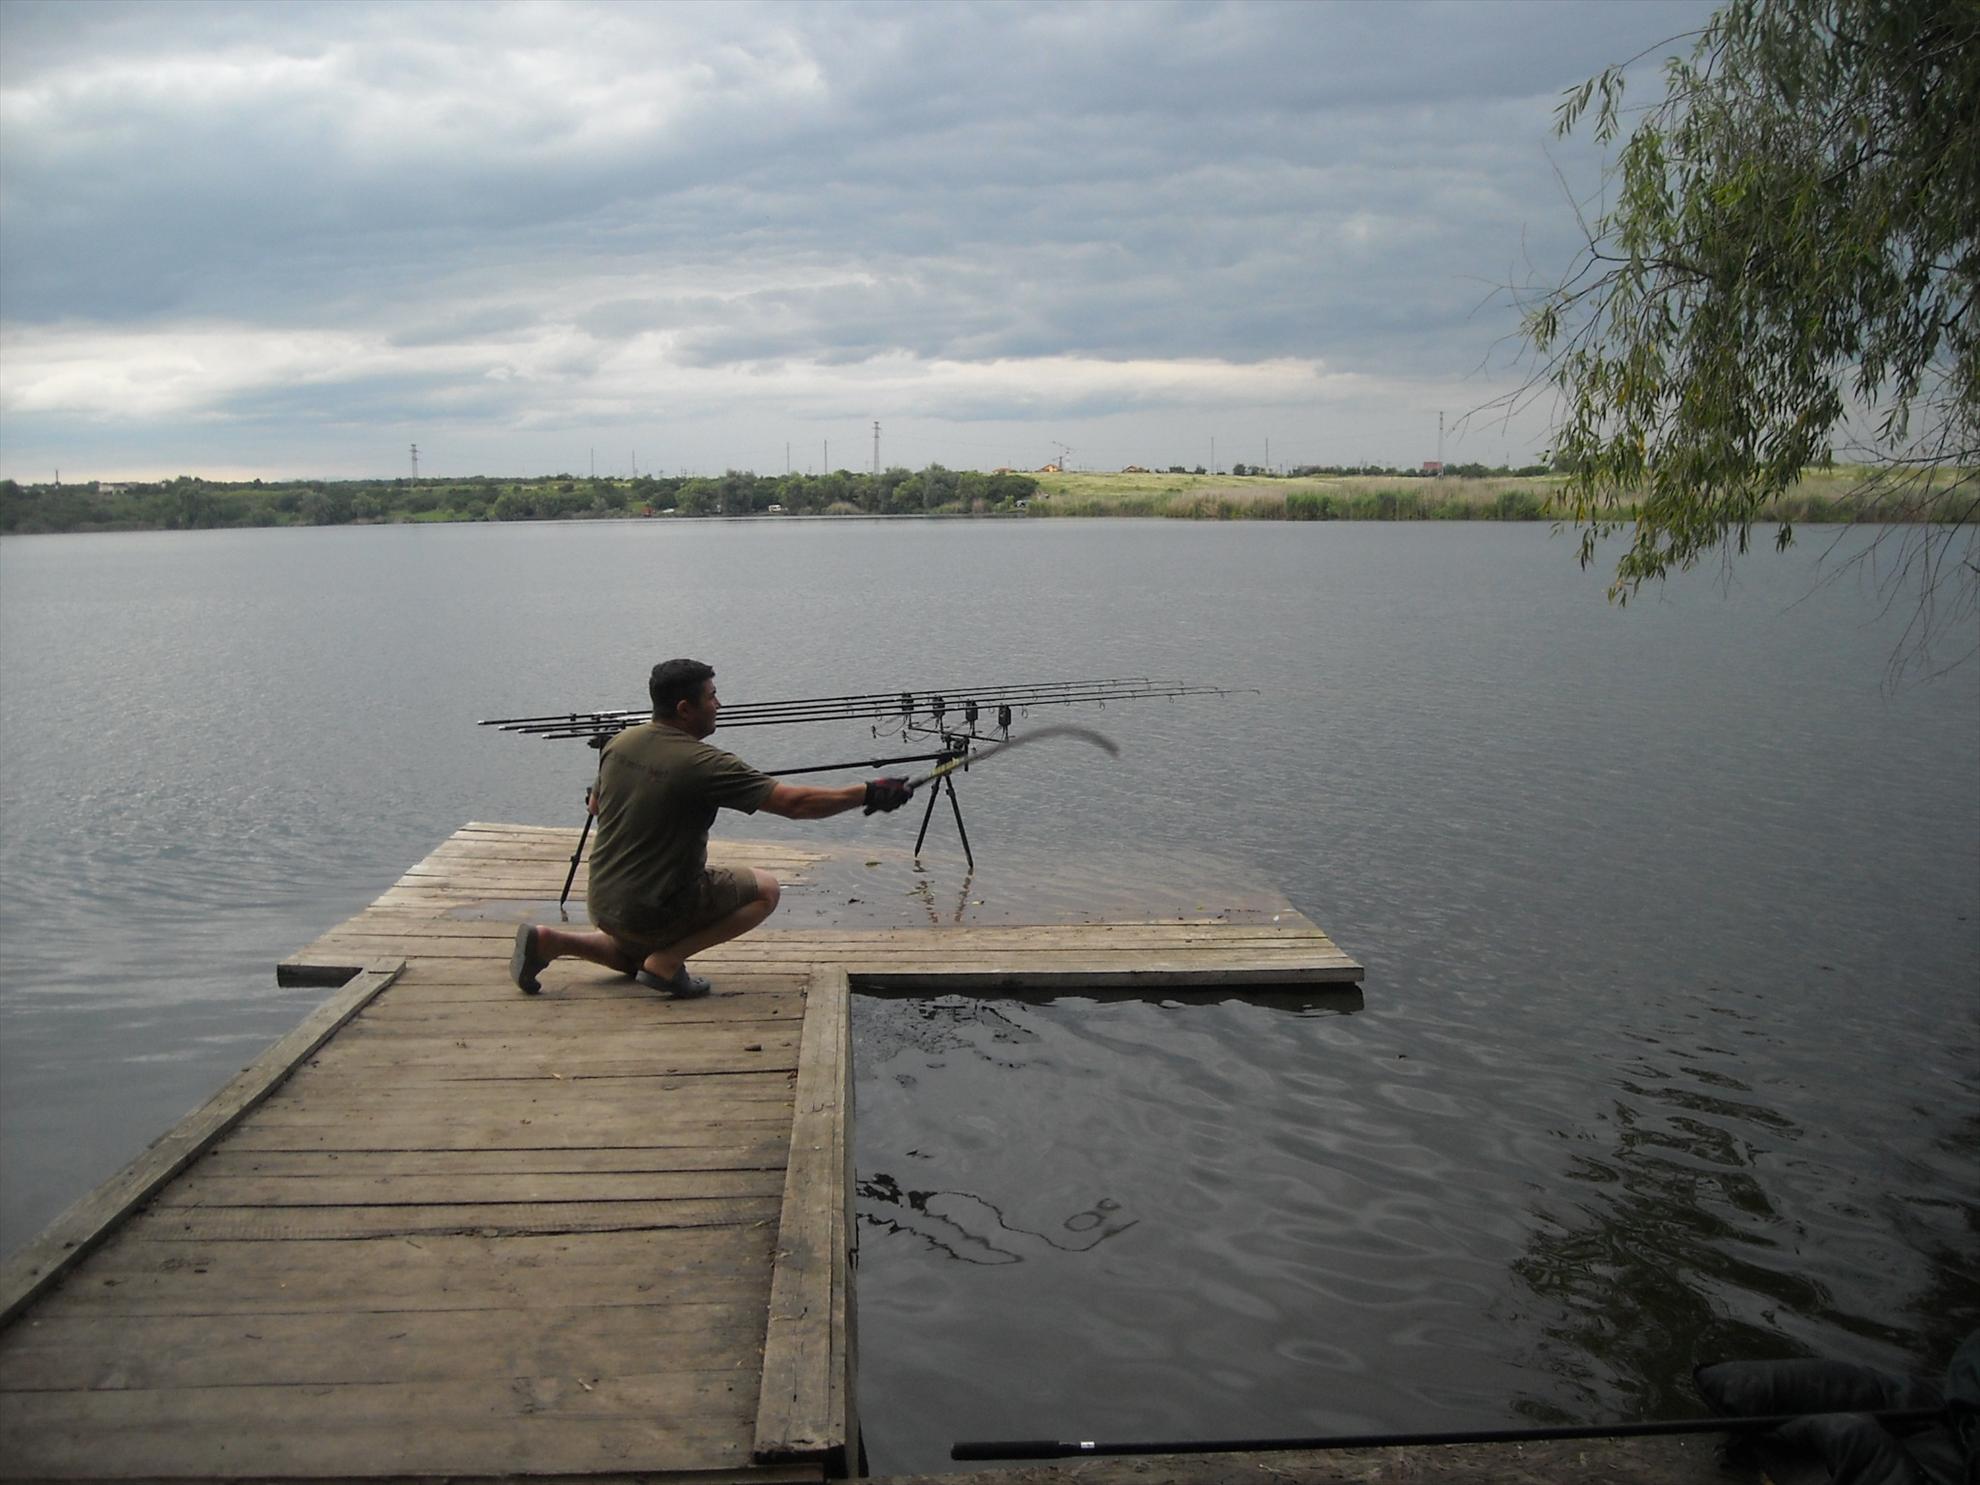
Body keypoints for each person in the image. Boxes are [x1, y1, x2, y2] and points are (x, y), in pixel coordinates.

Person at [510, 659, 913, 998]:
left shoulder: (620, 743)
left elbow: (595, 806)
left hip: (603, 903)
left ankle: (553, 940)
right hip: (653, 908)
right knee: (766, 889)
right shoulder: (706, 763)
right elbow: (795, 805)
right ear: (685, 709)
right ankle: (668, 963)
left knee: (635, 955)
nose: (719, 704)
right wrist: (868, 793)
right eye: (711, 696)